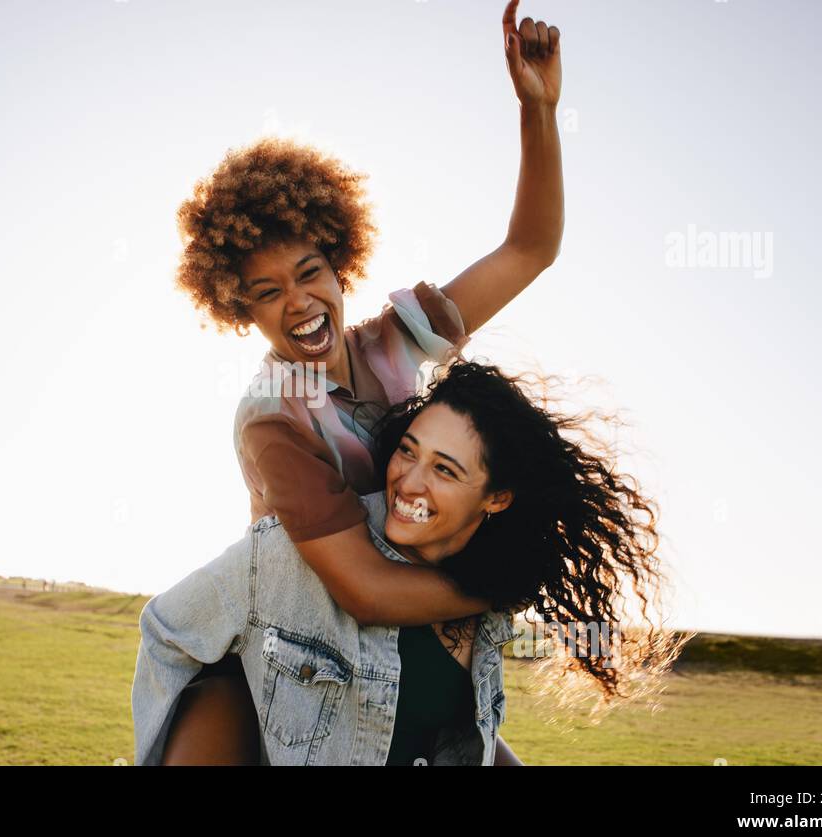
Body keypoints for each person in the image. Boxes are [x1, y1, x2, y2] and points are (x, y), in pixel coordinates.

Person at [164, 0, 565, 763]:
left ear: (341, 262)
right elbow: (365, 590)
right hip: (305, 659)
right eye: (265, 291)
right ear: (236, 306)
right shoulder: (272, 423)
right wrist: (508, 579)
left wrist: (537, 110)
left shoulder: (395, 343)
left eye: (309, 273)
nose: (298, 304)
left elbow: (530, 248)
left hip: (398, 652)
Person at [132, 359, 688, 765]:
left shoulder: (489, 594)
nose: (410, 482)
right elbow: (167, 628)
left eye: (445, 470)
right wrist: (215, 708)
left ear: (497, 498)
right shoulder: (291, 553)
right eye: (408, 451)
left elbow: (448, 731)